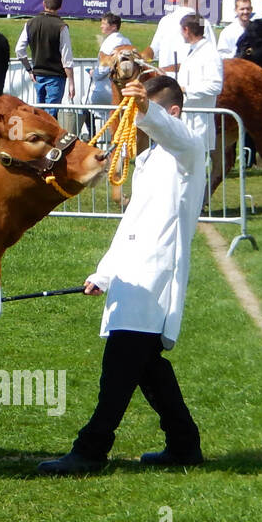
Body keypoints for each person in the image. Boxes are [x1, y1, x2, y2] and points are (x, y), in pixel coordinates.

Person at [39, 76, 205, 473]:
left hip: (154, 282)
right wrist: (105, 273)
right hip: (132, 280)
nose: (135, 119)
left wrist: (148, 110)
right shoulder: (148, 161)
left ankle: (91, 448)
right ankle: (184, 444)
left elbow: (172, 132)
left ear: (171, 112)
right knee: (149, 370)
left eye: (142, 112)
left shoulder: (189, 150)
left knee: (118, 370)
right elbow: (131, 225)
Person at [169, 14, 224, 152]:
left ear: (186, 30)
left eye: (182, 30)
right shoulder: (193, 51)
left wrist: (185, 89)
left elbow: (215, 86)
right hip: (185, 118)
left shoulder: (210, 54)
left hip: (199, 121)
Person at [16, 0, 74, 108]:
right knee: (51, 115)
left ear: (44, 4)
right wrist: (71, 82)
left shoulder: (30, 23)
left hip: (37, 75)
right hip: (56, 77)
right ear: (60, 6)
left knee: (40, 114)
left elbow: (19, 50)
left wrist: (29, 69)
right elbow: (66, 58)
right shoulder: (61, 27)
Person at [90, 12, 132, 108]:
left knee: (84, 103)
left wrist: (94, 74)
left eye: (104, 24)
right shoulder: (127, 41)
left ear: (113, 26)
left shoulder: (109, 42)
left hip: (106, 87)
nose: (101, 26)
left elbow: (104, 68)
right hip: (124, 90)